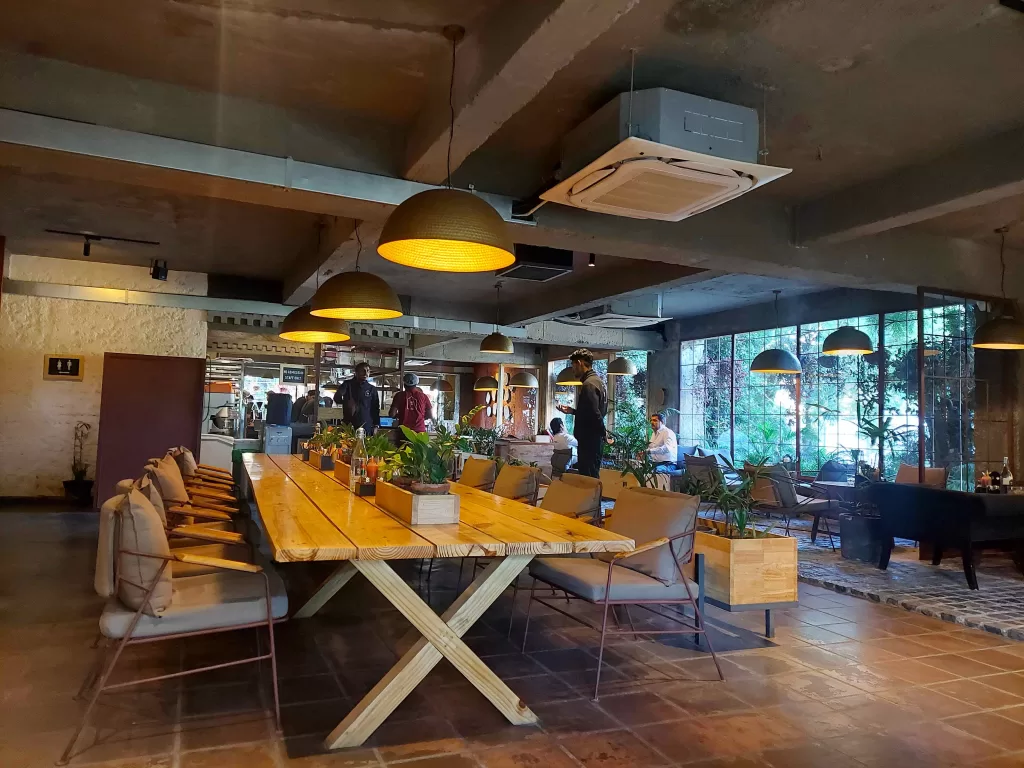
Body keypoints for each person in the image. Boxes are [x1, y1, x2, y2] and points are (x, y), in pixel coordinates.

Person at [555, 348, 607, 478]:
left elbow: (595, 414)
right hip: (593, 439)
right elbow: (591, 412)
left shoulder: (589, 385)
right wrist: (573, 411)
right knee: (591, 477)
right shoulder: (598, 382)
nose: (572, 369)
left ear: (579, 363)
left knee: (588, 480)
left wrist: (604, 432)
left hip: (589, 440)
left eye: (573, 365)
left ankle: (592, 499)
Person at [334, 362, 380, 433]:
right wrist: (346, 403)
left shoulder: (372, 389)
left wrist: (376, 425)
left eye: (368, 371)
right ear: (356, 372)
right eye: (363, 370)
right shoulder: (347, 384)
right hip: (349, 424)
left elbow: (375, 408)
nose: (365, 373)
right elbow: (337, 397)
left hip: (367, 425)